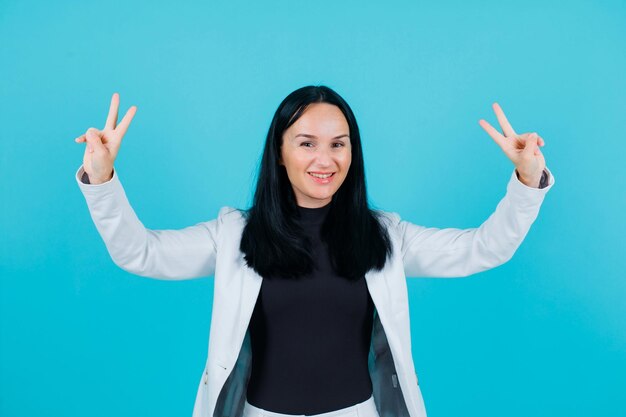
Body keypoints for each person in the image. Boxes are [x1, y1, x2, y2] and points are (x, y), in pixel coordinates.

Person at [74, 86, 555, 417]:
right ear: (279, 152)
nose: (324, 159)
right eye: (306, 143)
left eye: (338, 144)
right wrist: (101, 179)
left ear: (353, 153)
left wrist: (526, 181)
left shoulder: (385, 236)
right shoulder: (233, 236)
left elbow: (483, 250)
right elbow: (140, 253)